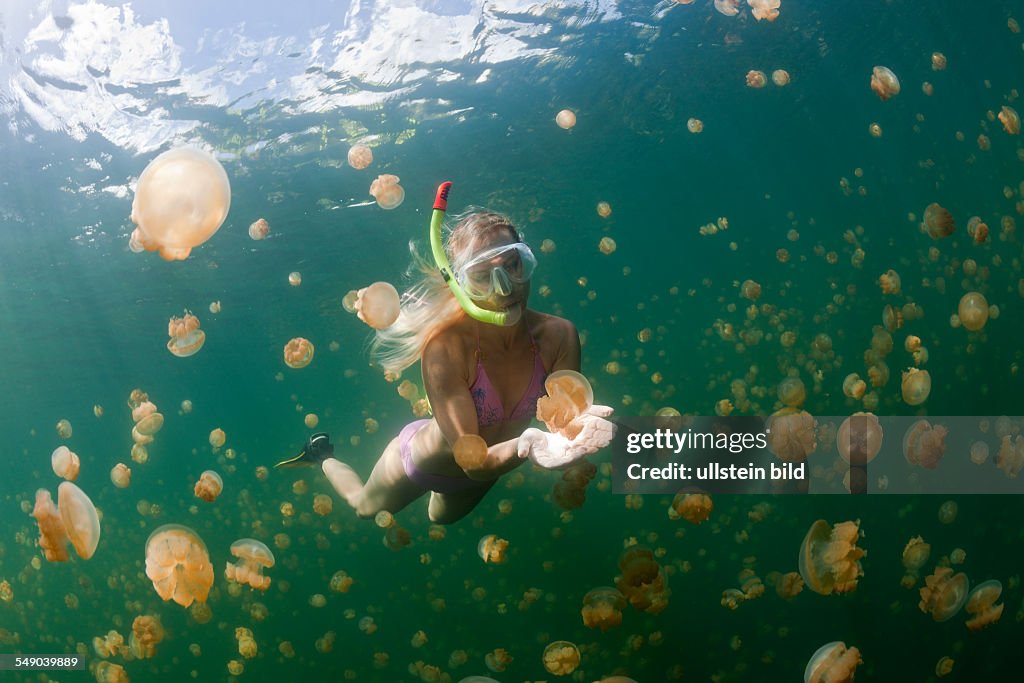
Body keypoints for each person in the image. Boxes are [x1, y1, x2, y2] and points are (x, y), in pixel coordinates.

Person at [320, 185, 614, 524]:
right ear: (459, 286)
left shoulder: (559, 336)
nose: (504, 288)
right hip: (428, 464)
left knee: (439, 520)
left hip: (490, 469)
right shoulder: (445, 350)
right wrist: (526, 445)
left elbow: (566, 424)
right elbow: (472, 460)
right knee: (363, 509)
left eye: (513, 264)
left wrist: (571, 432)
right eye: (481, 277)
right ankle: (322, 455)